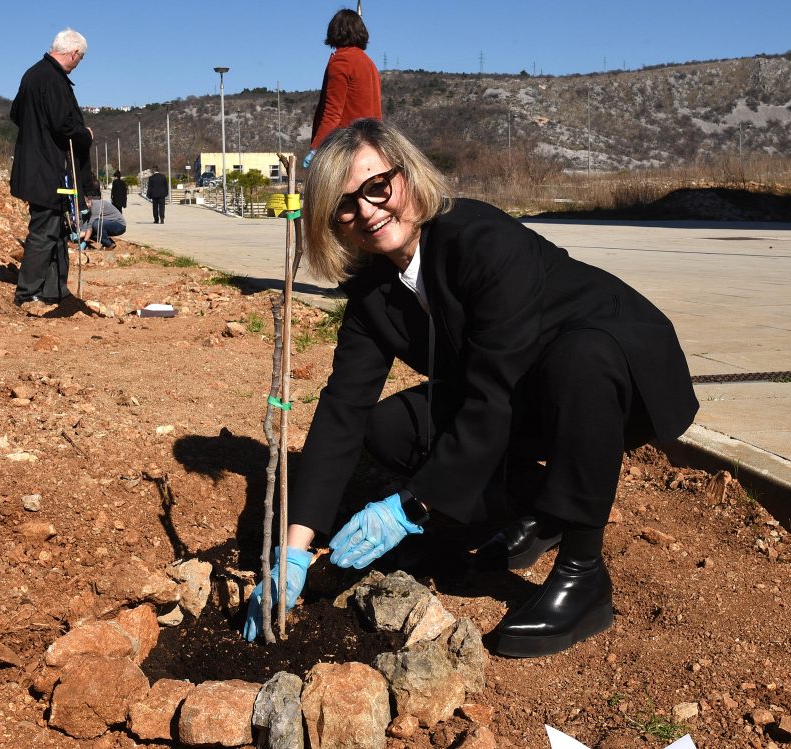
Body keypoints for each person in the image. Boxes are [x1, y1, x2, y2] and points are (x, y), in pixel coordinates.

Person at [242, 119, 699, 658]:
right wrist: (294, 549)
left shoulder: (481, 240)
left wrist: (412, 507)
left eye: (376, 187)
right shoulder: (373, 293)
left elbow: (492, 394)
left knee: (582, 359)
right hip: (523, 387)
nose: (366, 210)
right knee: (391, 428)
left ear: (407, 177)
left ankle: (583, 573)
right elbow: (344, 406)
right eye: (345, 204)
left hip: (618, 372)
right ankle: (539, 512)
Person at [9, 28, 93, 308]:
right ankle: (28, 292)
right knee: (45, 231)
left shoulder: (32, 74)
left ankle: (55, 290)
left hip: (36, 164)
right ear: (73, 53)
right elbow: (63, 125)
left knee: (57, 229)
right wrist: (86, 135)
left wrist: (36, 133)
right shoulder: (54, 80)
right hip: (47, 168)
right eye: (79, 60)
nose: (77, 65)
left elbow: (15, 113)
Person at [303, 9, 382, 169]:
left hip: (346, 148)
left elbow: (332, 113)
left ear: (335, 31)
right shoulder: (369, 63)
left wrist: (316, 148)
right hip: (371, 144)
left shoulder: (341, 62)